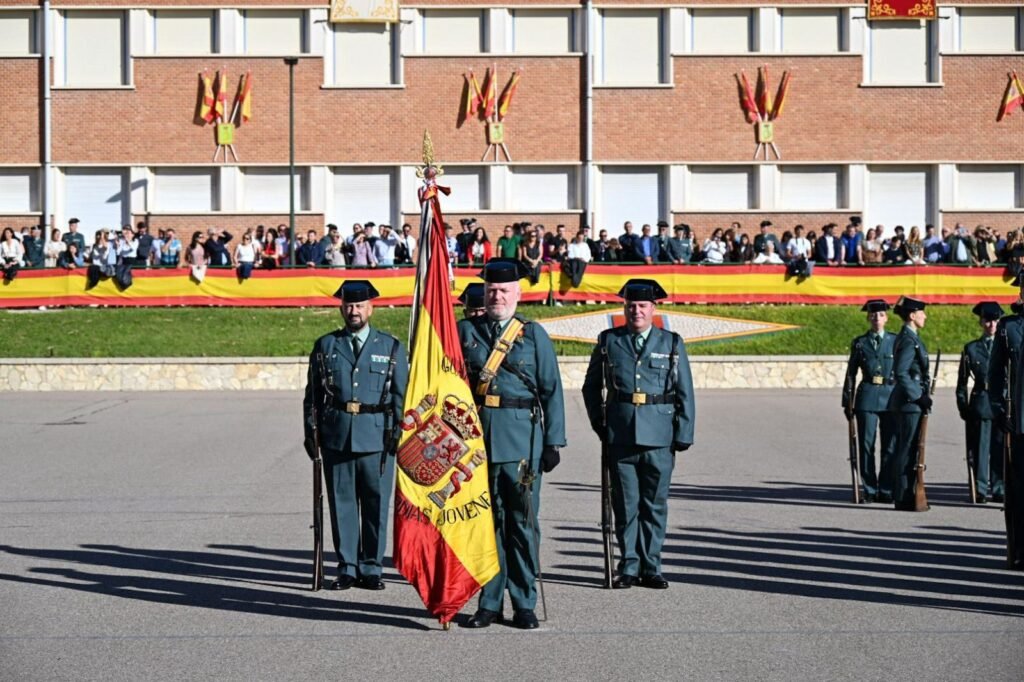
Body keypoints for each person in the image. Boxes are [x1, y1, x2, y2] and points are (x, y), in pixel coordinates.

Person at [458, 259, 565, 630]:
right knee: (485, 525)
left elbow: (551, 391)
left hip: (523, 442)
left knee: (521, 525)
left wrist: (553, 442)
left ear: (518, 294)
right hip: (477, 445)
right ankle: (488, 603)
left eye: (504, 290)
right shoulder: (465, 331)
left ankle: (523, 603)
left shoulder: (533, 335)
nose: (496, 296)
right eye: (491, 290)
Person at [581, 279, 696, 589]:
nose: (636, 311)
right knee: (625, 505)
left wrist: (684, 431)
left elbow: (685, 391)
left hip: (660, 437)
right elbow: (591, 387)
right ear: (624, 308)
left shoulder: (671, 343)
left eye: (643, 306)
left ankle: (652, 565)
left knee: (654, 504)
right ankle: (628, 566)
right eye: (631, 306)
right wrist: (599, 425)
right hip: (620, 436)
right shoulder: (609, 341)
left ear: (654, 308)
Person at [303, 280, 408, 591]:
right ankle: (347, 567)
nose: (353, 311)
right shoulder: (326, 346)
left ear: (371, 308)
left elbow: (402, 396)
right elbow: (313, 396)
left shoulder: (390, 347)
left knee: (376, 505)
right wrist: (311, 431)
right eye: (348, 305)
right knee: (342, 504)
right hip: (337, 437)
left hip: (378, 438)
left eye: (359, 306)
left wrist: (399, 433)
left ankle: (372, 567)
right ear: (341, 308)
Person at [842, 300, 898, 503]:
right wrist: (847, 401)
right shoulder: (860, 343)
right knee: (866, 445)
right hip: (866, 396)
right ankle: (869, 488)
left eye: (881, 315)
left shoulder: (896, 340)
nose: (877, 318)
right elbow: (851, 373)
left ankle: (886, 488)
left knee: (890, 446)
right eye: (873, 315)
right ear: (868, 318)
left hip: (891, 396)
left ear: (886, 318)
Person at [988, 275, 1024, 569]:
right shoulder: (1008, 328)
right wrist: (999, 408)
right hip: (1020, 422)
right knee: (1019, 491)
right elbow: (995, 373)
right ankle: (1020, 547)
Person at [957, 302, 1005, 504]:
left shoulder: (1005, 346)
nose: (991, 325)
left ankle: (999, 487)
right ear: (981, 322)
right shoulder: (971, 348)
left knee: (1000, 448)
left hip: (1001, 403)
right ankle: (980, 488)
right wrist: (963, 407)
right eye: (987, 320)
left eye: (994, 321)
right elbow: (961, 383)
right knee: (980, 449)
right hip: (981, 402)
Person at [886, 296, 932, 511]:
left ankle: (906, 492)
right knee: (907, 449)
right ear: (913, 316)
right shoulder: (907, 339)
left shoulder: (910, 337)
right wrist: (917, 396)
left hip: (910, 401)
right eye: (922, 313)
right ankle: (903, 495)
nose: (925, 316)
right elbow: (901, 372)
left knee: (911, 448)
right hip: (908, 403)